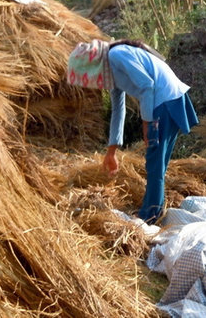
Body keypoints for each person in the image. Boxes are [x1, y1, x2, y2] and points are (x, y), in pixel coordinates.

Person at [67, 39, 198, 224]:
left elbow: (147, 85)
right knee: (157, 163)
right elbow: (118, 109)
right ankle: (154, 210)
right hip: (166, 100)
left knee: (155, 164)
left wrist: (147, 123)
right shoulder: (112, 69)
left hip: (166, 102)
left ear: (93, 66)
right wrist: (111, 152)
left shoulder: (117, 55)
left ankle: (149, 216)